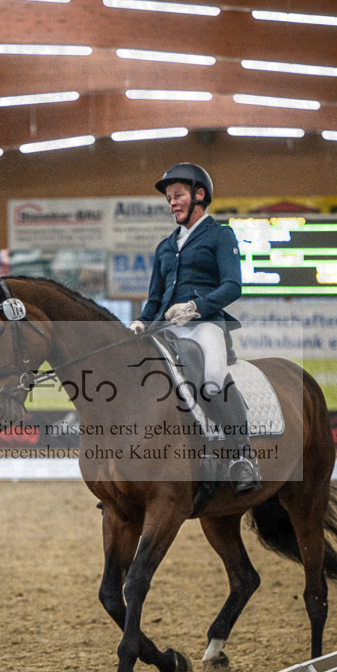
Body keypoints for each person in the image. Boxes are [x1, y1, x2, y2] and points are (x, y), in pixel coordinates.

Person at [130, 162, 260, 494]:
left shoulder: (220, 235)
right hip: (166, 329)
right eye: (169, 198)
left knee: (212, 380)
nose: (172, 202)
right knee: (139, 382)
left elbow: (233, 286)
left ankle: (242, 457)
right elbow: (155, 298)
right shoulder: (164, 246)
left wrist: (195, 307)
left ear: (199, 195)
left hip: (204, 325)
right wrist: (140, 322)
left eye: (178, 196)